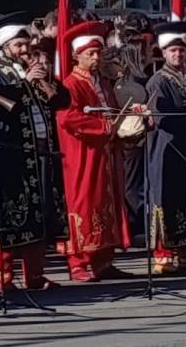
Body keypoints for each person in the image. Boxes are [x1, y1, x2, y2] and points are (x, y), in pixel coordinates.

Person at [0, 23, 67, 291]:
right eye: (18, 45)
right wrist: (25, 82)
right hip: (11, 155)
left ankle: (35, 274)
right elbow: (0, 106)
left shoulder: (36, 71)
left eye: (26, 44)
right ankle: (4, 276)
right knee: (10, 215)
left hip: (40, 153)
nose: (24, 50)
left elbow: (62, 101)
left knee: (38, 215)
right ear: (6, 49)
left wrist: (48, 80)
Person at [55, 22, 130, 283]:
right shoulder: (70, 85)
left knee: (105, 202)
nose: (96, 58)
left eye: (98, 53)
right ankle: (78, 262)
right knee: (84, 202)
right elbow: (68, 118)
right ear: (78, 56)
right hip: (82, 155)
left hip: (105, 153)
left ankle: (103, 259)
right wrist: (104, 126)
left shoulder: (102, 83)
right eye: (91, 54)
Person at [142, 22, 186, 273]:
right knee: (165, 200)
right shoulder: (158, 81)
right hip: (166, 150)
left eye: (182, 50)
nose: (178, 55)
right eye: (173, 51)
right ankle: (163, 257)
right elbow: (162, 117)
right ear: (164, 53)